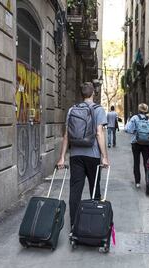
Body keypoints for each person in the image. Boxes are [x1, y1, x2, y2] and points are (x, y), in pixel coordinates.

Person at [57, 82, 109, 228]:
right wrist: (104, 156)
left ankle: (74, 225)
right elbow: (99, 133)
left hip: (75, 156)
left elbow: (66, 135)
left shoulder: (72, 109)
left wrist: (62, 157)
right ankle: (95, 224)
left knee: (75, 191)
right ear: (93, 93)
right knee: (95, 190)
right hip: (92, 156)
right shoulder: (98, 109)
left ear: (81, 94)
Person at [125, 103, 149, 188]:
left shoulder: (134, 118)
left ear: (139, 109)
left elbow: (128, 129)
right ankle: (148, 181)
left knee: (136, 162)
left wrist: (130, 126)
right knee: (147, 163)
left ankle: (137, 182)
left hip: (136, 143)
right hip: (147, 144)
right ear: (146, 110)